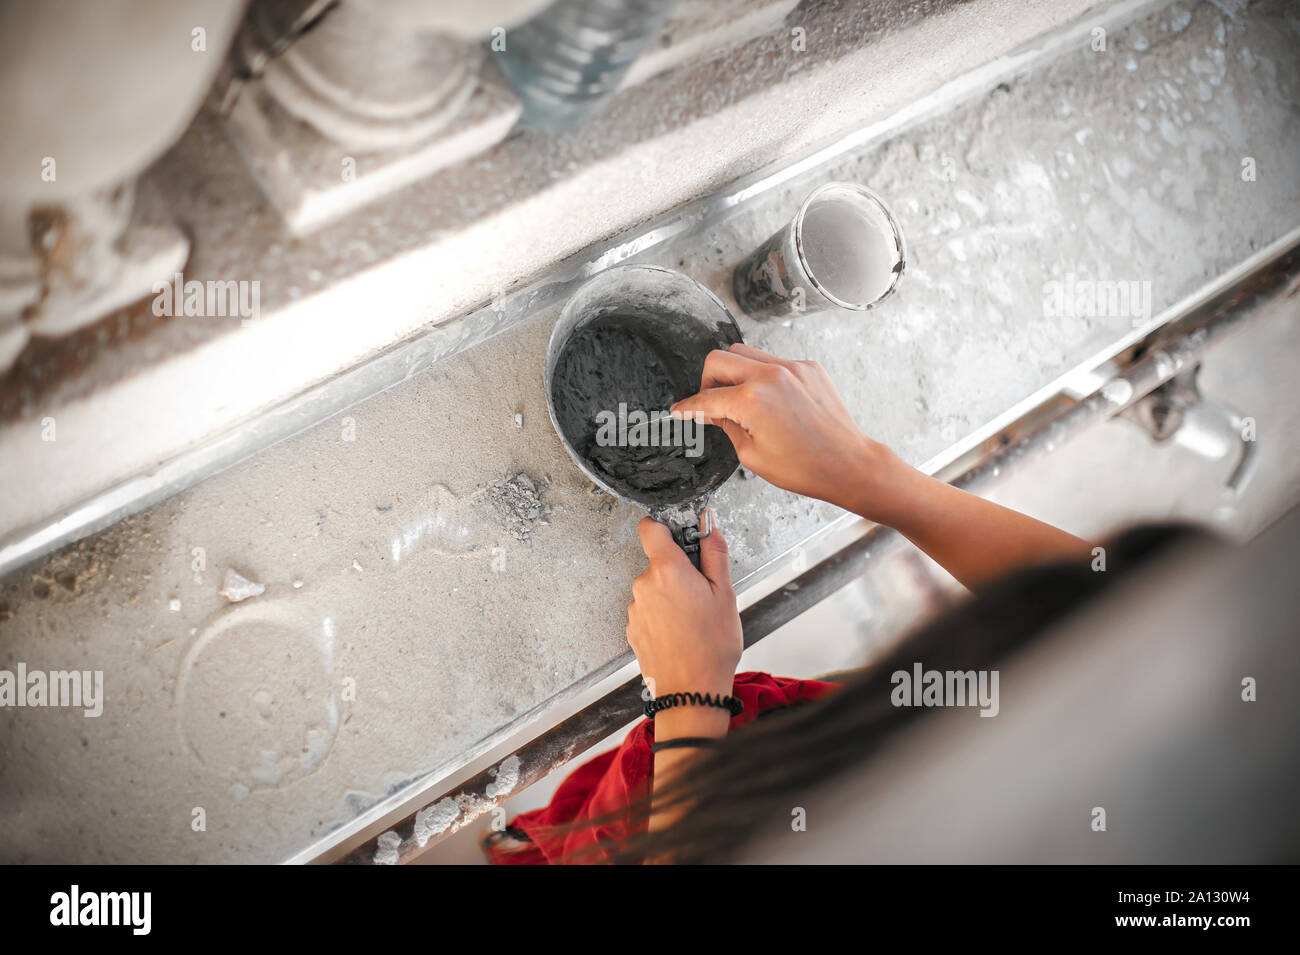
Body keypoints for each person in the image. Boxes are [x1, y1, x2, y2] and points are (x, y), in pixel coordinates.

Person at [484, 343, 1205, 865]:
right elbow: (1112, 603)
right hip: (758, 758)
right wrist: (868, 472)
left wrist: (689, 698)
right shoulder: (1199, 697)